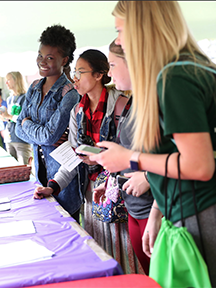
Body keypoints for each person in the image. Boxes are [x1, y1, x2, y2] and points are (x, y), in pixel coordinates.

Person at [89, 2, 216, 286]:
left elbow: (198, 165)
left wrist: (130, 158)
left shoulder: (174, 77)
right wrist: (159, 211)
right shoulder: (190, 67)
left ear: (143, 27)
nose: (118, 39)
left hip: (201, 213)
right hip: (198, 209)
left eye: (120, 30)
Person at [31, 48, 139, 273]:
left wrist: (101, 159)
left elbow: (134, 153)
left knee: (126, 258)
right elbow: (73, 155)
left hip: (121, 196)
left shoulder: (123, 106)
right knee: (99, 256)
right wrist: (54, 185)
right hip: (91, 196)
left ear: (99, 75)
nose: (75, 79)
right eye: (74, 73)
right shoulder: (77, 112)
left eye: (80, 73)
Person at [92, 40, 153, 275]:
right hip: (133, 206)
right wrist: (109, 181)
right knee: (151, 275)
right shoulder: (132, 102)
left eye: (113, 65)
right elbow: (127, 150)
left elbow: (178, 154)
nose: (110, 73)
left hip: (153, 206)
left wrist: (148, 175)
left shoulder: (155, 101)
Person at [15, 24, 81, 221]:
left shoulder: (70, 94)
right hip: (39, 174)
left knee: (67, 230)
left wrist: (28, 124)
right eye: (40, 56)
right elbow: (18, 129)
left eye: (50, 57)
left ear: (65, 60)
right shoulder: (34, 88)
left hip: (63, 176)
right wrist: (36, 130)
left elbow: (49, 135)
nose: (42, 62)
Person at [0, 71, 33, 165]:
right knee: (12, 169)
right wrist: (4, 117)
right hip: (9, 138)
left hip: (22, 139)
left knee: (25, 169)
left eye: (8, 80)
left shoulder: (26, 98)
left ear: (16, 80)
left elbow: (25, 119)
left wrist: (9, 116)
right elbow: (11, 118)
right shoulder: (9, 98)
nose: (6, 83)